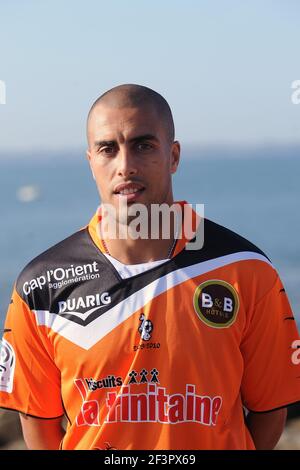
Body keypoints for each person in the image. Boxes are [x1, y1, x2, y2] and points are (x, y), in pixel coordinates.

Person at [0, 84, 300, 450]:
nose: (125, 166)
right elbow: (39, 426)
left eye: (143, 145)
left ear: (173, 156)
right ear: (91, 161)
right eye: (108, 149)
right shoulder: (40, 286)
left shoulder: (246, 271)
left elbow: (271, 409)